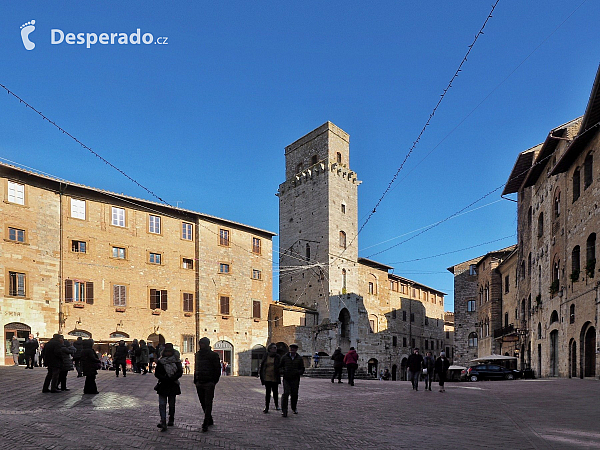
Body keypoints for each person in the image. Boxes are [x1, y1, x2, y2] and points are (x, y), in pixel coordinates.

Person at [193, 337, 221, 432]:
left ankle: (206, 422)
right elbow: (196, 367)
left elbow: (217, 369)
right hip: (199, 381)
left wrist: (214, 381)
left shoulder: (213, 355)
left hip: (209, 382)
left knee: (208, 402)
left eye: (203, 344)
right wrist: (195, 379)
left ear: (207, 344)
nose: (201, 345)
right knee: (202, 402)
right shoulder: (198, 355)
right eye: (200, 343)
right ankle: (209, 418)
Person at [154, 343, 183, 432]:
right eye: (166, 351)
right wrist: (164, 378)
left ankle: (171, 417)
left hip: (172, 384)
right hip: (163, 384)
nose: (168, 353)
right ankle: (163, 420)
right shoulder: (161, 361)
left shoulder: (177, 362)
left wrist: (172, 378)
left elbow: (179, 372)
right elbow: (157, 373)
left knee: (171, 404)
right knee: (162, 404)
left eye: (169, 351)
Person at [279, 343, 305, 417]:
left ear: (296, 350)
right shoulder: (284, 357)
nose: (292, 349)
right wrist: (283, 372)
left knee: (294, 394)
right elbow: (280, 366)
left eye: (294, 348)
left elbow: (302, 368)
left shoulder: (299, 358)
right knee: (286, 393)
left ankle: (294, 407)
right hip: (286, 378)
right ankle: (284, 410)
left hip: (295, 378)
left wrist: (298, 372)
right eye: (291, 348)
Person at [259, 343, 281, 413]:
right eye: (273, 348)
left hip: (275, 376)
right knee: (267, 392)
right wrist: (261, 374)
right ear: (270, 349)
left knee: (275, 392)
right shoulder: (266, 356)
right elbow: (262, 365)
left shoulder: (277, 356)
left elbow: (280, 365)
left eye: (275, 348)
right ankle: (267, 407)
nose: (275, 349)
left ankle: (276, 405)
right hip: (267, 376)